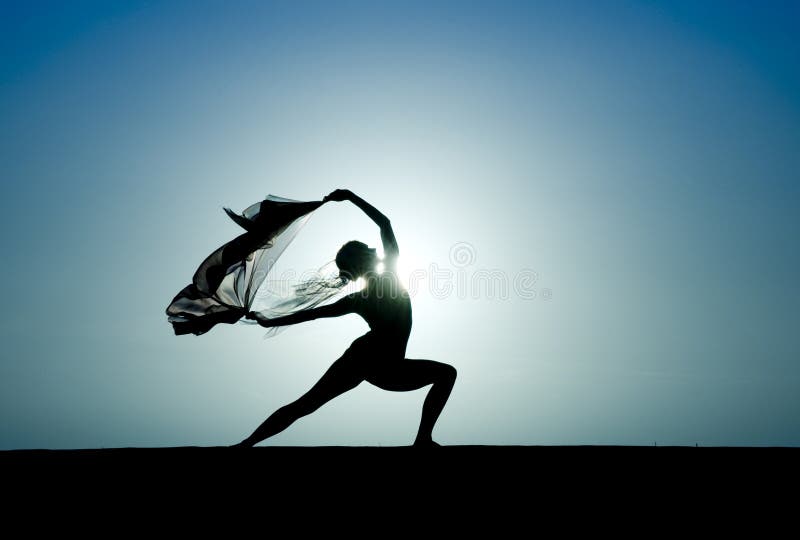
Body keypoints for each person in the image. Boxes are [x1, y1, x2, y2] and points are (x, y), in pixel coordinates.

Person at [232, 189, 456, 447]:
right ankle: (246, 444)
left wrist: (270, 321)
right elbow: (384, 223)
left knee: (308, 403)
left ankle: (423, 439)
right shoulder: (385, 278)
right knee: (308, 403)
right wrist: (350, 197)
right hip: (371, 361)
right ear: (363, 260)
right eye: (366, 248)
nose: (373, 247)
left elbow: (311, 315)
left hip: (384, 365)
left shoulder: (361, 297)